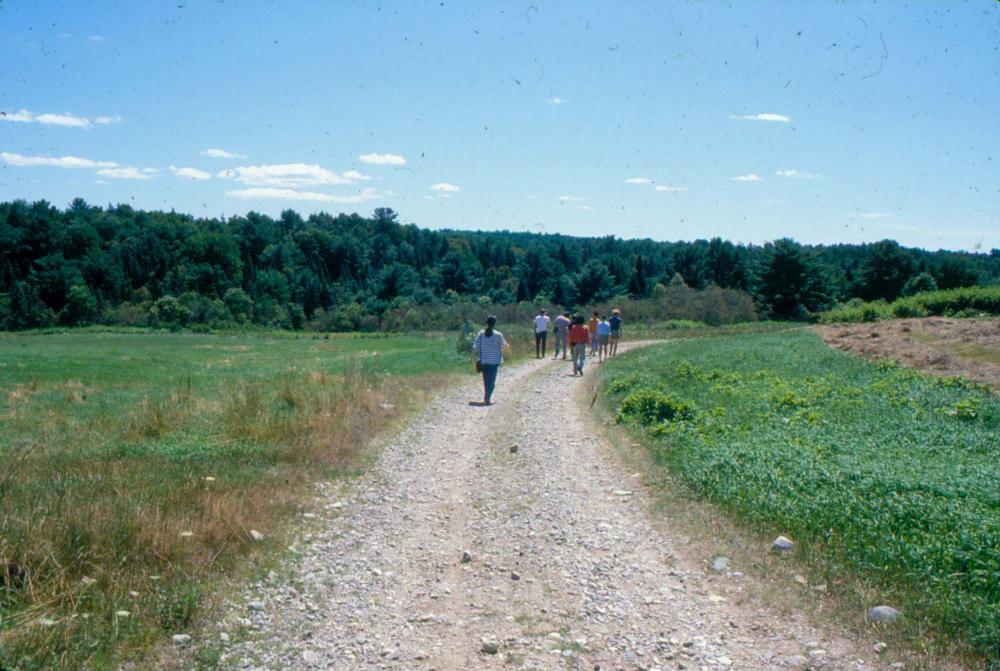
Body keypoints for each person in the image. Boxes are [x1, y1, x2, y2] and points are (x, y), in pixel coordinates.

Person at [471, 315, 510, 405]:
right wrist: (508, 352)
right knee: (491, 381)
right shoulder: (498, 334)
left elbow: (475, 346)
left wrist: (471, 357)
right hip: (494, 361)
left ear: (487, 322)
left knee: (486, 380)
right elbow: (505, 345)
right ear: (495, 323)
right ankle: (487, 398)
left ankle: (486, 397)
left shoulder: (481, 333)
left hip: (484, 360)